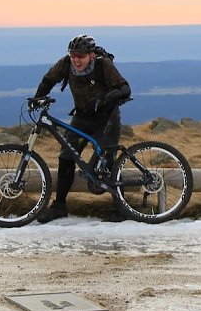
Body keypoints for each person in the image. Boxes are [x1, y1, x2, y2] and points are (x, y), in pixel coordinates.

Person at [31, 34, 132, 223]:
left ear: (91, 55)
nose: (76, 60)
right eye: (73, 55)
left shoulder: (103, 65)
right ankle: (59, 206)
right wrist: (38, 98)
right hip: (82, 117)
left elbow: (125, 89)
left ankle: (120, 209)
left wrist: (103, 100)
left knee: (108, 160)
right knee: (66, 157)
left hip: (107, 118)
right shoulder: (65, 64)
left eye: (81, 56)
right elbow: (49, 80)